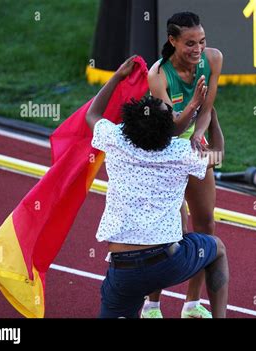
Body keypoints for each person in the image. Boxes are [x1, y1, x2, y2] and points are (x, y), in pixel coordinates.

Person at [85, 56, 229, 318]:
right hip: (166, 263)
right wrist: (211, 113)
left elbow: (92, 114)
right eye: (170, 113)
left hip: (122, 271)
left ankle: (152, 307)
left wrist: (117, 75)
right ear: (168, 132)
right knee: (216, 248)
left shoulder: (116, 139)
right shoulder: (181, 151)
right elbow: (218, 154)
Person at [144, 11, 224, 318]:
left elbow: (208, 109)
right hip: (164, 149)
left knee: (205, 223)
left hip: (192, 147)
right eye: (190, 43)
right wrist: (191, 107)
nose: (198, 49)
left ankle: (192, 303)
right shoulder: (159, 76)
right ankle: (152, 305)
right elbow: (171, 129)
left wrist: (200, 134)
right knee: (168, 229)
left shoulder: (213, 59)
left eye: (201, 41)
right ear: (173, 40)